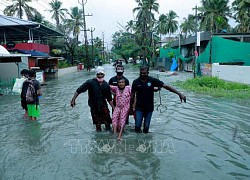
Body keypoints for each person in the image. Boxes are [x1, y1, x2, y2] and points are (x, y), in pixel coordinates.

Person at [130, 65, 186, 134]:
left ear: (148, 72)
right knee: (137, 127)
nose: (142, 74)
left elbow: (166, 86)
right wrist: (130, 107)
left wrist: (179, 94)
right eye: (141, 73)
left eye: (144, 73)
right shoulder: (135, 82)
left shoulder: (152, 80)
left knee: (146, 129)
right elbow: (132, 95)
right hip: (139, 107)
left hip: (149, 108)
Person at [70, 66, 114, 131]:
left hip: (103, 106)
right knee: (97, 124)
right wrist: (73, 99)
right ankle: (98, 138)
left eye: (101, 74)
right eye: (98, 74)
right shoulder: (90, 82)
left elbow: (109, 99)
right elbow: (79, 90)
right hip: (94, 107)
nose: (100, 75)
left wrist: (114, 107)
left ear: (104, 75)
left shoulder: (106, 85)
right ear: (96, 75)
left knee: (107, 123)